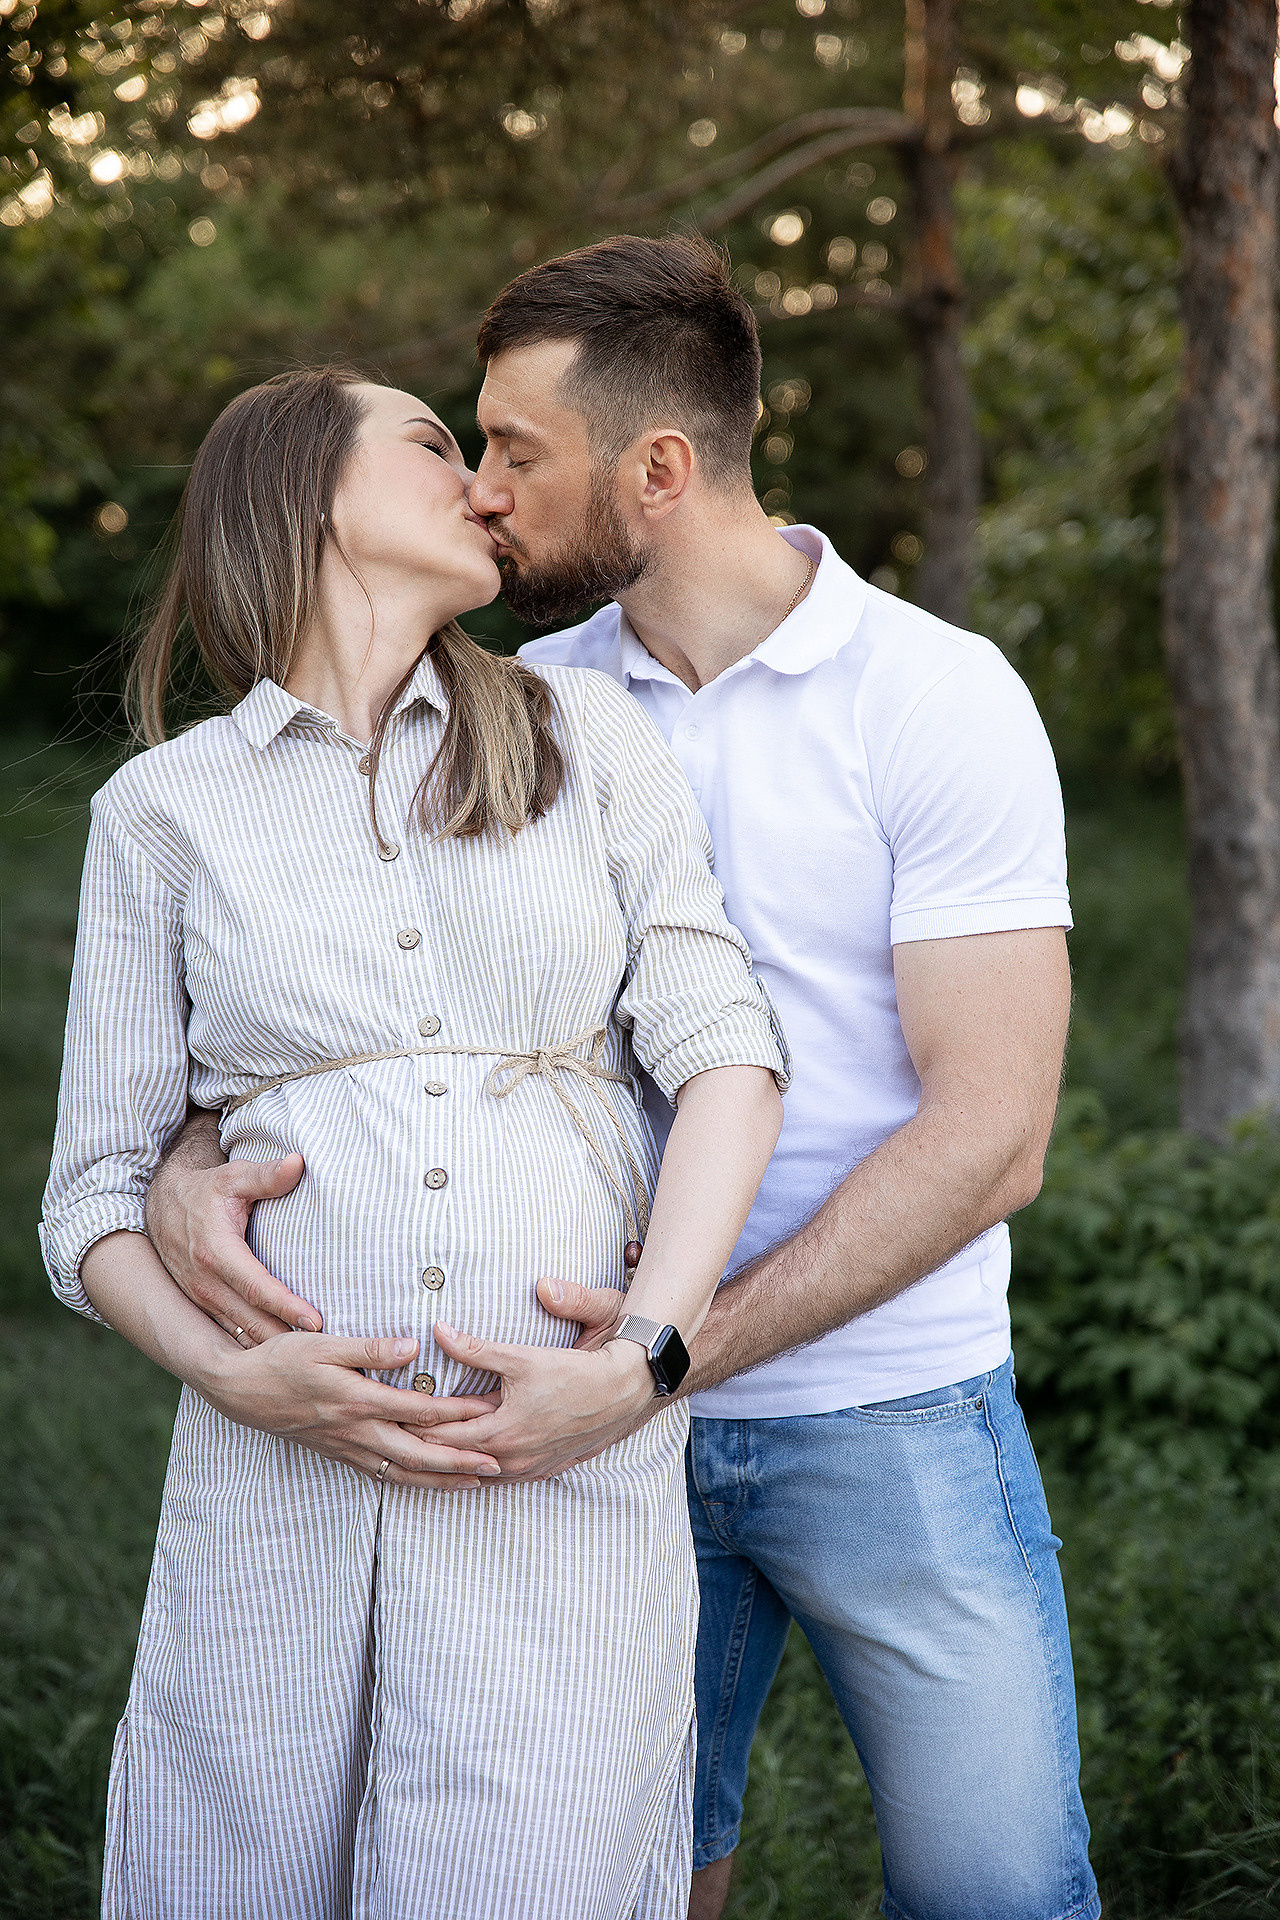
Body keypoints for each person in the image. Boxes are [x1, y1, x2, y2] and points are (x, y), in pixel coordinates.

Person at [147, 237, 1098, 1920]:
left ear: (656, 470)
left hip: (879, 1403)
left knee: (1001, 1893)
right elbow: (352, 989)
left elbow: (992, 1137)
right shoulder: (524, 709)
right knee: (639, 1875)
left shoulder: (937, 697)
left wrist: (659, 1358)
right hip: (567, 1427)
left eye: (515, 450)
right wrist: (187, 1157)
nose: (486, 489)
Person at [40, 364, 790, 1920]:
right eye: (438, 446)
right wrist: (230, 1371)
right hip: (277, 1483)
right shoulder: (165, 811)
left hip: (560, 1468)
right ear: (306, 493)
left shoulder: (582, 737)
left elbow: (728, 1054)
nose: (485, 485)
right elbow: (94, 1193)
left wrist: (643, 1357)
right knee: (244, 1868)